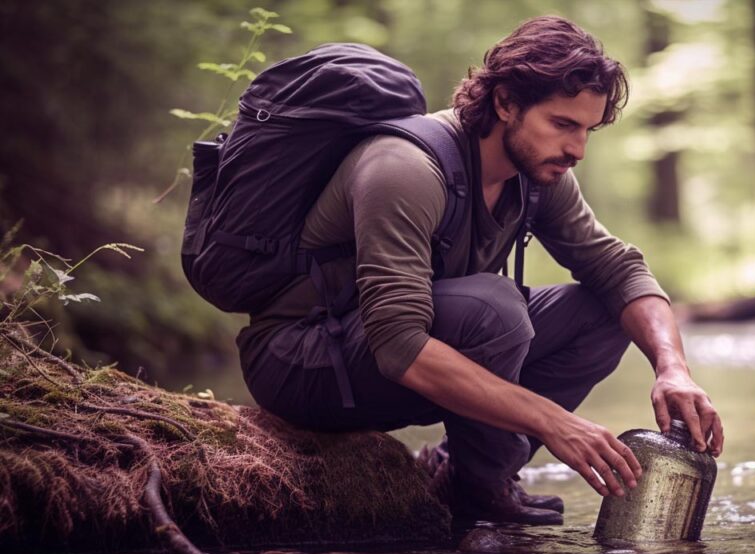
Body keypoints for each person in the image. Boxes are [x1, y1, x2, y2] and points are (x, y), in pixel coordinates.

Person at [237, 15, 723, 526]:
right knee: (494, 308)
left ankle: (467, 475)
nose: (577, 150)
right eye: (562, 124)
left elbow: (619, 269)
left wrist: (672, 369)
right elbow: (399, 346)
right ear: (505, 103)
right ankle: (480, 490)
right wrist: (555, 423)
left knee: (601, 309)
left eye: (587, 130)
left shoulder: (539, 174)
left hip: (383, 351)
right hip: (300, 361)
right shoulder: (404, 168)